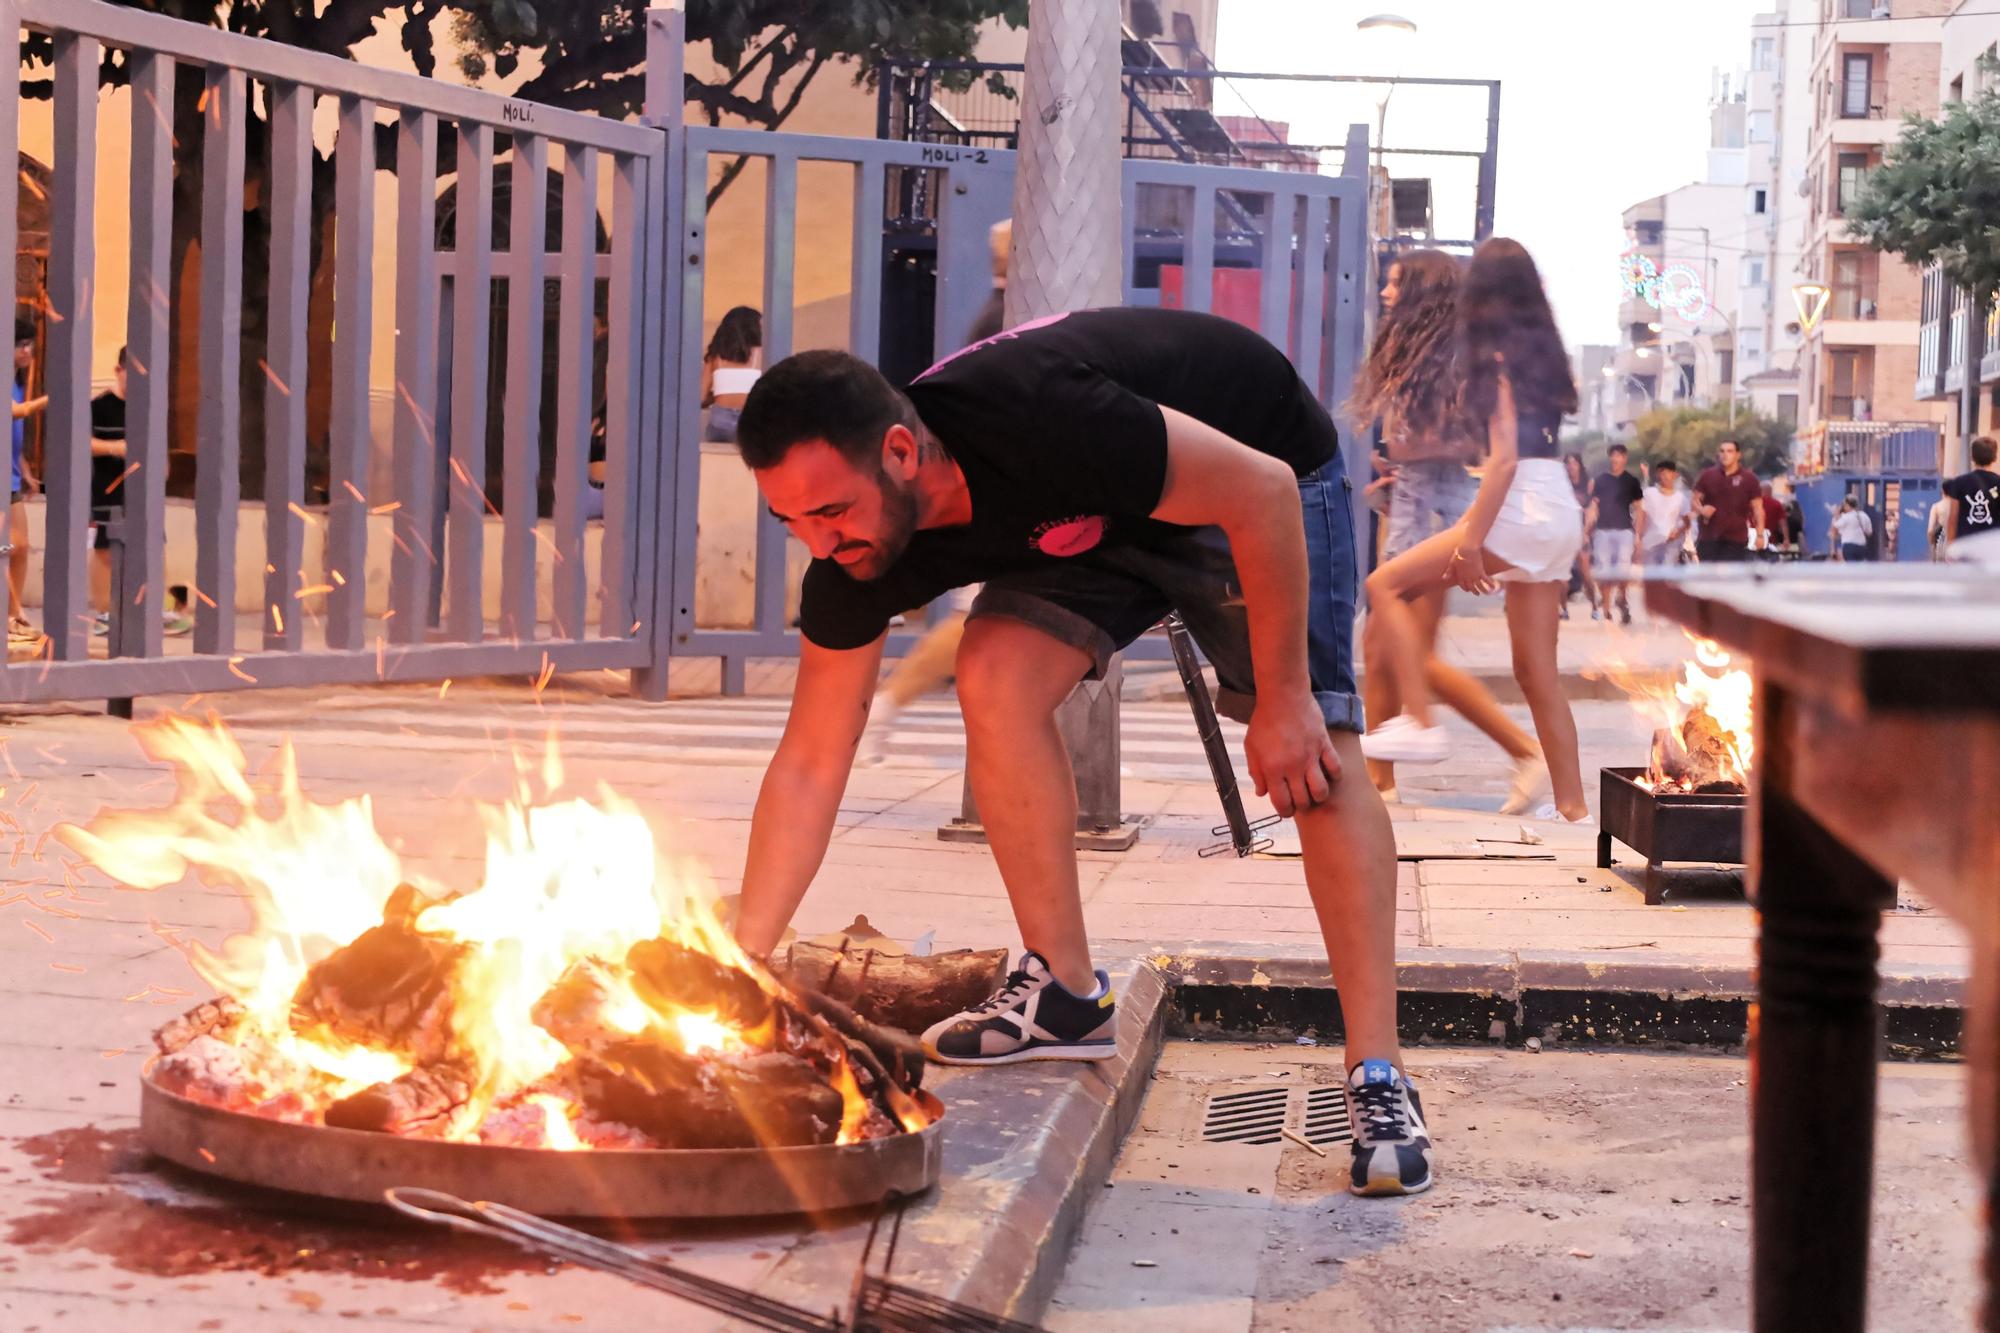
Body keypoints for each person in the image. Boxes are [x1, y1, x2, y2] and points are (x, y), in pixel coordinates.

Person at [732, 307, 1430, 1197]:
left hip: (1258, 472)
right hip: (1098, 511)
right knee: (993, 674)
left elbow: (1259, 492)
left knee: (1314, 761)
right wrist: (743, 960)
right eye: (792, 521)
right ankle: (1063, 991)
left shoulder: (1036, 416)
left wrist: (1285, 699)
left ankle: (1379, 1074)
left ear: (902, 453)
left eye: (831, 509)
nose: (821, 542)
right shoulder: (854, 561)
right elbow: (810, 762)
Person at [1357, 237, 1589, 827]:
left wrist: (1469, 543)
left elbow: (1503, 460)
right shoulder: (1546, 355)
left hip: (1515, 500)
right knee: (1538, 672)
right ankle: (1573, 810)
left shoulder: (1494, 355)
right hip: (1557, 506)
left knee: (1385, 587)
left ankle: (1420, 725)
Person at [9, 320, 46, 646]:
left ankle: (13, 615)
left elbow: (12, 437)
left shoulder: (18, 380)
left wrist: (26, 471)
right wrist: (49, 400)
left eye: (31, 345)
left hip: (10, 479)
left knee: (20, 547)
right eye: (21, 344)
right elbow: (14, 413)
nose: (27, 351)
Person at [1585, 444, 1643, 625]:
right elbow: (1593, 507)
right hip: (1603, 530)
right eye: (1613, 455)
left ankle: (1622, 598)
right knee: (1604, 570)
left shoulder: (1631, 481)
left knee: (1623, 570)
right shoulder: (1601, 480)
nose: (1615, 459)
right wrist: (1586, 530)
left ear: (1625, 458)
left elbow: (1639, 510)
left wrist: (1638, 535)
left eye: (1619, 455)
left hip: (1624, 531)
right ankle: (1607, 610)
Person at [1693, 440, 1764, 562]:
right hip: (1709, 538)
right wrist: (1701, 509)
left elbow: (1757, 509)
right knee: (1708, 578)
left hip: (1735, 539)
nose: (1725, 454)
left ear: (1738, 455)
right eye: (1722, 451)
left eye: (1730, 451)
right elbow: (1694, 500)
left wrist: (1760, 535)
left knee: (1729, 577)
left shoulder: (1749, 479)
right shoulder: (1708, 475)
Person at [701, 306, 763, 443]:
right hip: (751, 422)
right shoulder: (763, 353)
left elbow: (700, 397)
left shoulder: (715, 356)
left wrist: (717, 396)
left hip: (720, 422)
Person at [1940, 435, 2000, 555]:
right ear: (1995, 457)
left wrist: (1950, 548)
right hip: (1992, 547)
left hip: (1965, 545)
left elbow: (1952, 518)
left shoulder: (1959, 483)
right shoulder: (1998, 483)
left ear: (1972, 457)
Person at [1560, 452, 1600, 619]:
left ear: (1579, 465)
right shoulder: (1561, 485)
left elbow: (1592, 512)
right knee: (1561, 574)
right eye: (1568, 464)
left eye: (1574, 463)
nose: (1571, 467)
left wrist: (1585, 533)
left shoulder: (1588, 484)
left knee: (1586, 573)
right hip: (1564, 531)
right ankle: (1563, 609)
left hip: (1582, 531)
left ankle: (1595, 607)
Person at [1638, 459, 1693, 571]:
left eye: (1669, 473)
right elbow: (1641, 516)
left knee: (1667, 575)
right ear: (1658, 475)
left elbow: (1687, 522)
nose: (1666, 476)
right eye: (1662, 473)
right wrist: (1637, 537)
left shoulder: (1681, 498)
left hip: (1670, 543)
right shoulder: (1649, 493)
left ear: (1675, 475)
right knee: (1650, 577)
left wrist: (1677, 532)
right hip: (1650, 542)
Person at [1830, 495, 1873, 562]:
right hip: (1861, 547)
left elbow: (1834, 528)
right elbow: (1869, 532)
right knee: (1859, 568)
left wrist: (1835, 516)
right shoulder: (1865, 516)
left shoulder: (1846, 517)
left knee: (1851, 568)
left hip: (1849, 546)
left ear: (1847, 505)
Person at [1755, 481, 1790, 558]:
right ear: (1770, 491)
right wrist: (1786, 539)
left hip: (1754, 541)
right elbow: (1783, 524)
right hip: (1771, 541)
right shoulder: (1776, 504)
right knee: (1772, 567)